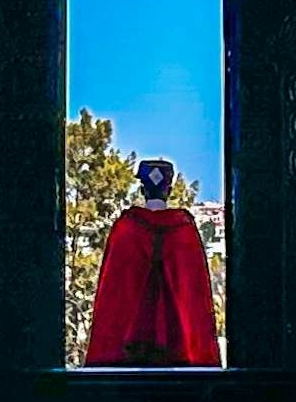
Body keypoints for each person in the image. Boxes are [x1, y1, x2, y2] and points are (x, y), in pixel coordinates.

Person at [82, 156, 223, 367]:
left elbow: (113, 297)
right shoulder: (184, 231)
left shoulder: (126, 230)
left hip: (126, 361)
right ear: (170, 189)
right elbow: (194, 299)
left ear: (142, 189)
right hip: (182, 359)